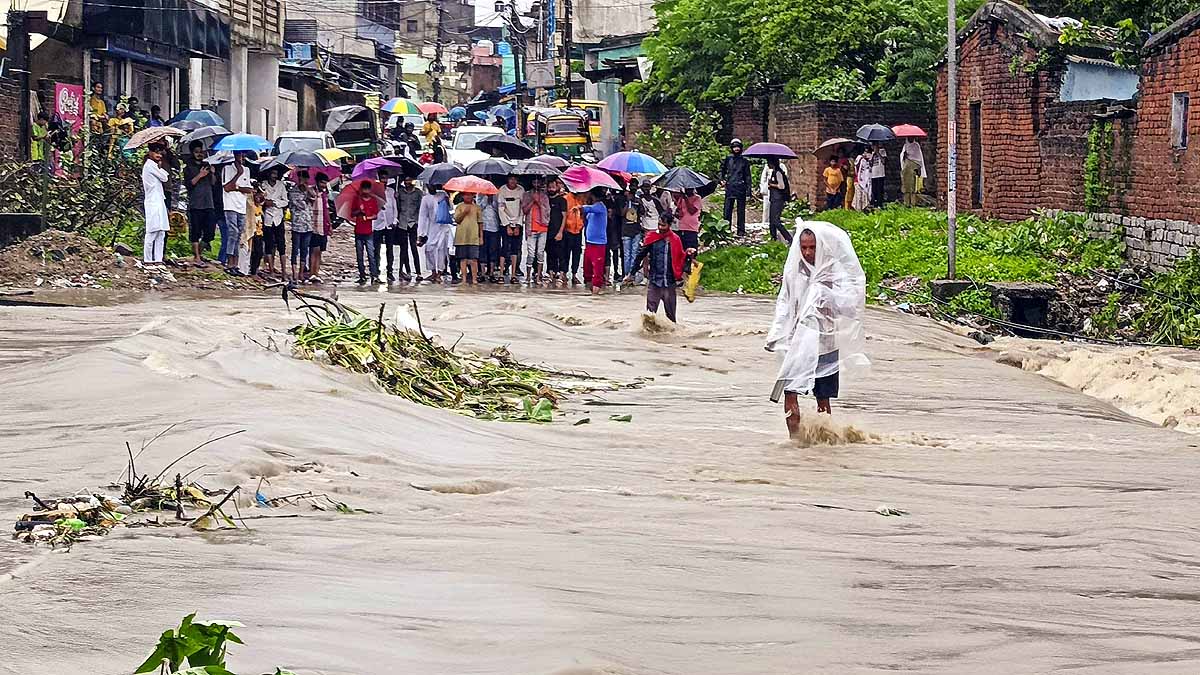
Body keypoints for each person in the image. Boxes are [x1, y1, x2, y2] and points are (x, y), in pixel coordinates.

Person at [765, 221, 869, 429]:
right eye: (804, 247)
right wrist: (776, 333)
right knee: (790, 392)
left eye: (812, 247)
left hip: (826, 340)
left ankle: (824, 443)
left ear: (820, 246)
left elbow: (850, 304)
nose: (808, 252)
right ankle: (795, 443)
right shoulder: (794, 271)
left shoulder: (832, 271)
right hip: (796, 341)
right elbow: (785, 302)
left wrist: (826, 295)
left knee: (823, 397)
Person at [626, 211, 690, 323]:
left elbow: (681, 258)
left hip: (669, 283)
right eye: (659, 224)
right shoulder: (652, 237)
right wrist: (631, 274)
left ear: (669, 225)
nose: (660, 227)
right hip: (655, 282)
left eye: (663, 225)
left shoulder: (675, 240)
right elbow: (640, 256)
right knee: (649, 317)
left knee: (671, 320)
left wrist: (689, 254)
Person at [183, 141, 217, 265]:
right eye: (196, 152)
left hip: (209, 203)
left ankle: (200, 253)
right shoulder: (188, 168)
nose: (199, 154)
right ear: (192, 153)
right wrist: (200, 175)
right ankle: (196, 257)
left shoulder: (207, 165)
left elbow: (213, 183)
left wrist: (212, 172)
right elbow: (189, 184)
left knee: (210, 232)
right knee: (195, 232)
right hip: (195, 204)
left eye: (201, 152)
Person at [221, 151, 254, 276]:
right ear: (235, 155)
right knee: (232, 232)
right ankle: (229, 262)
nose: (242, 158)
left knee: (239, 234)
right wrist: (238, 174)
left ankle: (235, 264)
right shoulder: (227, 169)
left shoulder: (247, 170)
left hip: (241, 206)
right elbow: (227, 187)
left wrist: (238, 187)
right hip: (230, 205)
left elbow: (249, 189)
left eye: (243, 155)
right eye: (240, 155)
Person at [141, 144, 170, 266]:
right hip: (153, 201)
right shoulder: (149, 166)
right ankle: (148, 259)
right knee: (152, 231)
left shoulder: (153, 166)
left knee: (161, 232)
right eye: (156, 152)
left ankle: (158, 259)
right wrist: (161, 167)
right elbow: (164, 178)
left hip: (159, 200)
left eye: (160, 153)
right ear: (150, 153)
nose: (159, 155)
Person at [576, 189, 609, 295]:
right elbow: (586, 218)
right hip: (589, 243)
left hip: (598, 244)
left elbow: (589, 208)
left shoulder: (600, 206)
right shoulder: (592, 209)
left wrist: (580, 207)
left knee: (597, 271)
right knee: (587, 270)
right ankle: (593, 296)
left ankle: (595, 295)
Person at [417, 184, 452, 282]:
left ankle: (440, 272)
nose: (431, 187)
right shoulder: (425, 199)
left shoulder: (443, 195)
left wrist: (447, 200)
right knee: (429, 249)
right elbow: (422, 216)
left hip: (443, 227)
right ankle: (433, 271)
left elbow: (450, 208)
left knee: (441, 249)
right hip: (431, 227)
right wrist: (420, 233)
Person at [718, 138, 752, 236]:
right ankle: (726, 229)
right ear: (731, 148)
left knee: (741, 211)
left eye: (738, 147)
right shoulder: (728, 159)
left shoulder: (744, 161)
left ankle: (741, 230)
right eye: (734, 147)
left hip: (741, 187)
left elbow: (748, 176)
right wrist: (721, 180)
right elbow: (721, 170)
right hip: (730, 187)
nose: (736, 149)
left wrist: (748, 190)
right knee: (727, 209)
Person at [260, 168, 288, 279]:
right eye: (272, 173)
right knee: (268, 244)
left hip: (278, 217)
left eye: (276, 173)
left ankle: (284, 271)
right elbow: (260, 199)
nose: (274, 176)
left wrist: (275, 203)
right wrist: (266, 202)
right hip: (267, 218)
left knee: (281, 245)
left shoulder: (281, 185)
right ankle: (271, 270)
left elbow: (285, 201)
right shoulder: (263, 185)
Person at [521, 178, 550, 284]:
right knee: (531, 253)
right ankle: (528, 276)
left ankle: (538, 276)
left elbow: (547, 211)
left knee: (540, 253)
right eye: (534, 182)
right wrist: (532, 201)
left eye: (538, 182)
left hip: (543, 228)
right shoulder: (527, 195)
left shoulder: (544, 196)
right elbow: (524, 210)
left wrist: (539, 203)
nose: (536, 184)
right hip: (531, 228)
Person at [497, 175, 525, 283]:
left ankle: (513, 274)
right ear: (508, 180)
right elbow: (501, 209)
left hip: (517, 222)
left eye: (515, 179)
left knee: (515, 249)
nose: (513, 181)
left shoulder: (521, 190)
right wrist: (507, 225)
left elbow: (522, 208)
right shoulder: (502, 190)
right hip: (505, 223)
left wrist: (518, 224)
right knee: (504, 249)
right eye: (511, 179)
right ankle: (501, 274)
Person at [287, 170, 313, 280]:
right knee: (295, 249)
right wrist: (306, 196)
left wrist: (307, 190)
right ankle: (294, 273)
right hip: (297, 225)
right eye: (303, 179)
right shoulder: (293, 191)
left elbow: (314, 198)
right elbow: (301, 205)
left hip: (308, 225)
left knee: (304, 249)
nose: (304, 181)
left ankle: (301, 273)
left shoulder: (308, 190)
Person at [453, 191, 484, 284]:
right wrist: (464, 212)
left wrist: (481, 237)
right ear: (463, 196)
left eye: (470, 195)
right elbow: (457, 219)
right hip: (461, 237)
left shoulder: (477, 208)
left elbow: (480, 223)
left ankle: (474, 279)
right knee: (463, 259)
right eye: (466, 195)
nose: (468, 197)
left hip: (473, 237)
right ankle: (464, 279)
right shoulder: (459, 207)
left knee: (474, 259)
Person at [396, 176, 422, 280]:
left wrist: (418, 222)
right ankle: (407, 271)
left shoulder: (418, 193)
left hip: (413, 223)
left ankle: (418, 272)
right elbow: (397, 207)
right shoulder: (400, 192)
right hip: (402, 223)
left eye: (409, 180)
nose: (407, 182)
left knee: (413, 248)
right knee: (404, 249)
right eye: (406, 180)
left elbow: (420, 208)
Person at [308, 174, 333, 283]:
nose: (324, 185)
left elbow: (326, 210)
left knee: (319, 251)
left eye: (325, 183)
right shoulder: (311, 191)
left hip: (323, 225)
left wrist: (330, 225)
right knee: (314, 249)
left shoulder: (325, 194)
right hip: (313, 224)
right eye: (322, 182)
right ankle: (311, 273)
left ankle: (316, 272)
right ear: (317, 182)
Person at [374, 178, 399, 281]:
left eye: (385, 178)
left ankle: (390, 271)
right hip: (377, 224)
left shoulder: (391, 191)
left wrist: (394, 220)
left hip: (389, 224)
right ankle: (376, 270)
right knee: (376, 249)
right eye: (382, 178)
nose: (384, 180)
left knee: (390, 249)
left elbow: (394, 207)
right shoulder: (374, 191)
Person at [765, 157, 793, 244]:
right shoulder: (774, 172)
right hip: (774, 198)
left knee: (776, 220)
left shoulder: (778, 173)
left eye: (768, 163)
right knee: (772, 220)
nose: (767, 165)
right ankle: (773, 237)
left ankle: (788, 237)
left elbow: (782, 186)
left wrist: (772, 185)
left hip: (778, 199)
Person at [478, 191, 502, 283]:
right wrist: (485, 199)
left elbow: (498, 209)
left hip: (494, 227)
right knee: (482, 250)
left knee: (493, 250)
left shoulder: (496, 195)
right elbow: (479, 208)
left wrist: (492, 200)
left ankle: (491, 272)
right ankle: (483, 273)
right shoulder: (480, 194)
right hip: (483, 226)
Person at [563, 189, 585, 284]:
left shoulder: (582, 198)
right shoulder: (566, 198)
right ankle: (564, 273)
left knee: (577, 254)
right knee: (566, 253)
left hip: (578, 230)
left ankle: (574, 274)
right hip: (568, 230)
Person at [673, 187, 702, 252]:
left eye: (689, 189)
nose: (688, 191)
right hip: (681, 227)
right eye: (687, 189)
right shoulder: (681, 198)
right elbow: (677, 211)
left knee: (692, 250)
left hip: (691, 228)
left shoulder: (697, 198)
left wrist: (685, 199)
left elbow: (692, 211)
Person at [900, 138, 927, 207]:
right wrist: (904, 155)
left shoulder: (916, 145)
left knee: (913, 187)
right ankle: (906, 203)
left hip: (914, 168)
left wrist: (919, 169)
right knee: (906, 187)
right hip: (906, 169)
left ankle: (913, 203)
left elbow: (919, 159)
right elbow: (902, 158)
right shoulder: (905, 146)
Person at [868, 142, 887, 208]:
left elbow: (884, 161)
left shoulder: (883, 151)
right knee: (874, 190)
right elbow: (870, 164)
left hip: (880, 173)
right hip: (873, 174)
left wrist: (878, 153)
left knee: (880, 189)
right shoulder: (872, 154)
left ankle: (880, 203)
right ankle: (875, 203)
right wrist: (873, 154)